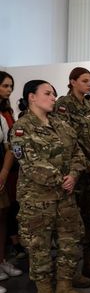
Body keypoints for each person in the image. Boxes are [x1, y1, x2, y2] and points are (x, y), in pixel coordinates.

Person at [10, 80, 90, 293]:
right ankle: (44, 290)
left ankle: (64, 286)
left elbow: (78, 153)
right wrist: (61, 179)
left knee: (70, 242)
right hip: (37, 200)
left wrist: (73, 175)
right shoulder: (21, 128)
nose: (53, 97)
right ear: (31, 97)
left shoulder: (61, 124)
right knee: (40, 247)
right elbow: (30, 163)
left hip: (65, 197)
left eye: (54, 93)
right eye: (47, 93)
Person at [55, 67, 90, 282]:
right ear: (73, 81)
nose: (89, 84)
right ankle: (71, 271)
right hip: (76, 172)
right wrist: (87, 164)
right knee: (73, 224)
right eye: (85, 80)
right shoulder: (63, 105)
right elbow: (68, 141)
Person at [0, 71, 25, 265]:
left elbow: (10, 144)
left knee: (5, 212)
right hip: (6, 167)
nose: (9, 90)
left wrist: (5, 170)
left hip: (7, 167)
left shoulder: (6, 112)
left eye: (11, 86)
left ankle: (2, 260)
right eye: (5, 86)